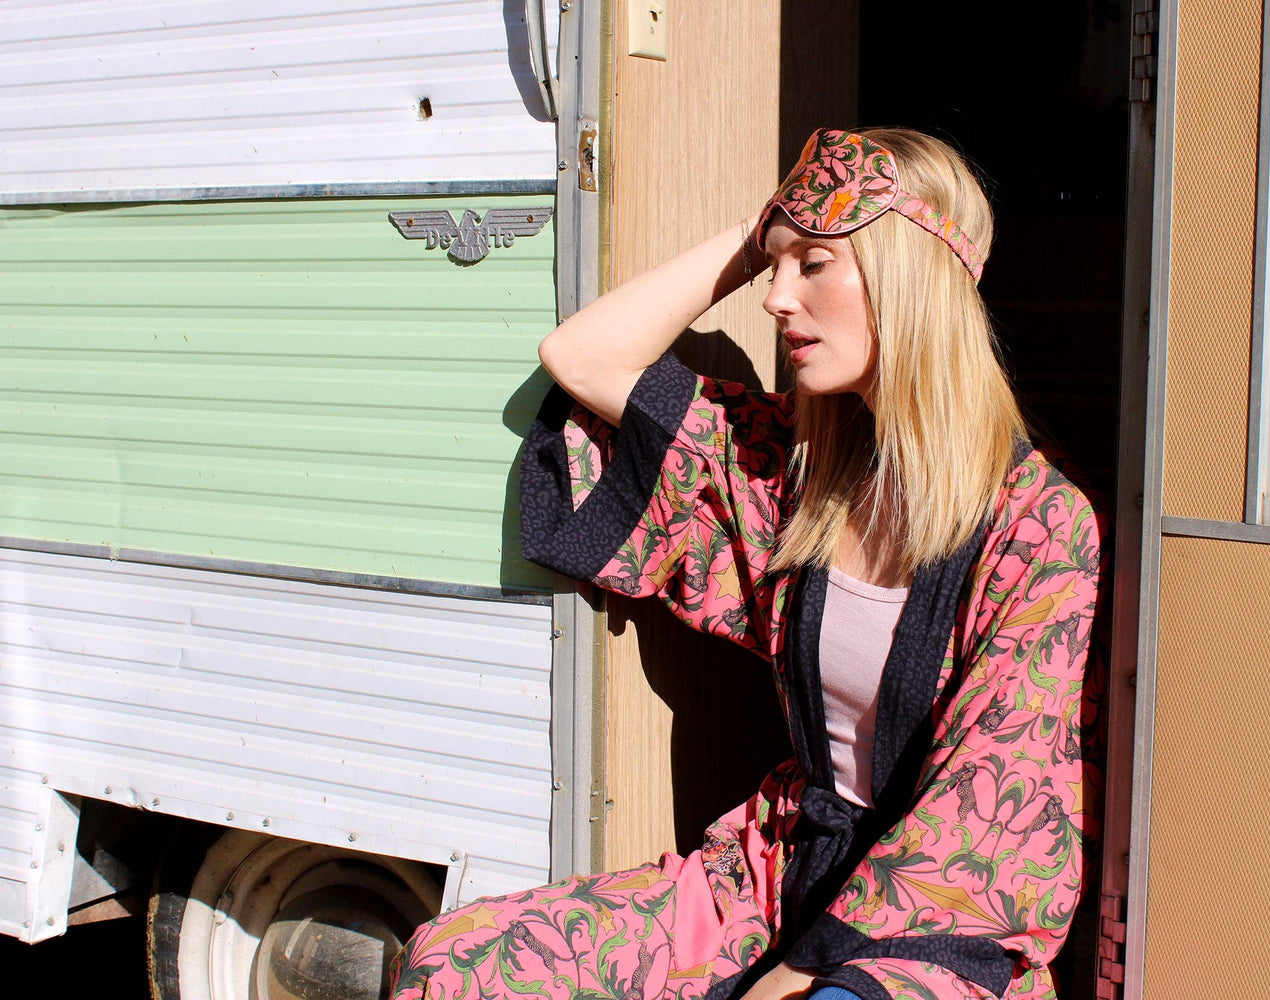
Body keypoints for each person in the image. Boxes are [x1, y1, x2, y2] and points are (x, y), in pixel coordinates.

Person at [390, 128, 1102, 1000]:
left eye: (814, 265)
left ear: (907, 274)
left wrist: (797, 973)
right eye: (774, 266)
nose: (773, 298)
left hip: (934, 925)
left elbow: (996, 790)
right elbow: (583, 357)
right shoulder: (788, 474)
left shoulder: (1041, 523)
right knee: (459, 963)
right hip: (777, 873)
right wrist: (766, 225)